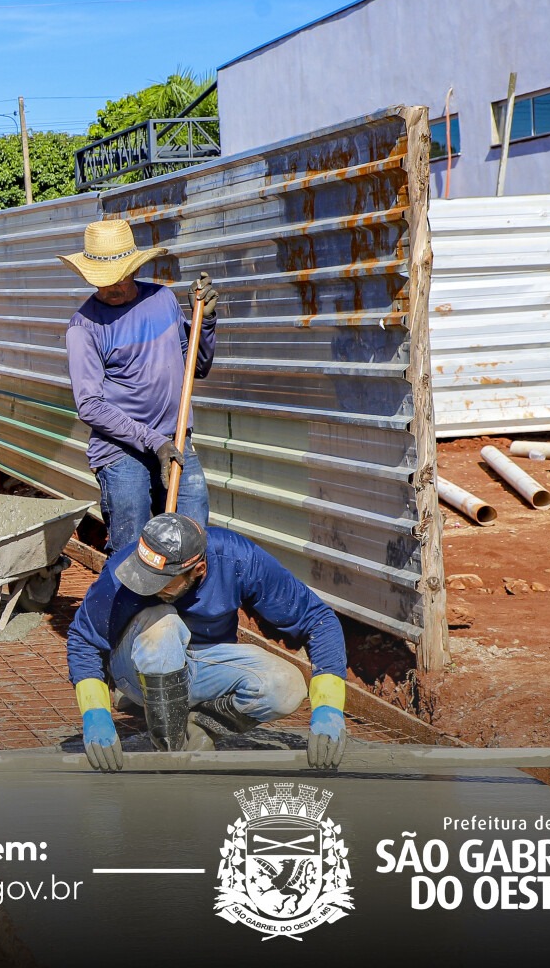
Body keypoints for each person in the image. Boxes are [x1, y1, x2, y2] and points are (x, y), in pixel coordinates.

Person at [67, 513, 349, 771]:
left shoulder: (238, 560)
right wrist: (95, 713)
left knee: (287, 686)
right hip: (138, 665)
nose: (145, 585)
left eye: (162, 581)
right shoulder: (124, 571)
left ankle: (199, 725)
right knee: (163, 622)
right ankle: (169, 756)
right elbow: (83, 639)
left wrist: (329, 708)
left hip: (202, 663)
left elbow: (318, 620)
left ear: (199, 569)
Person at [62, 218, 217, 553]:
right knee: (133, 553)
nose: (110, 288)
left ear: (132, 269)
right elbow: (89, 405)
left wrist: (205, 323)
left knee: (191, 545)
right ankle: (133, 607)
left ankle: (185, 606)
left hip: (175, 442)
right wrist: (152, 442)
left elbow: (197, 368)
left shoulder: (162, 300)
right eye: (101, 281)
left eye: (117, 278)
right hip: (122, 452)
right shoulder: (84, 327)